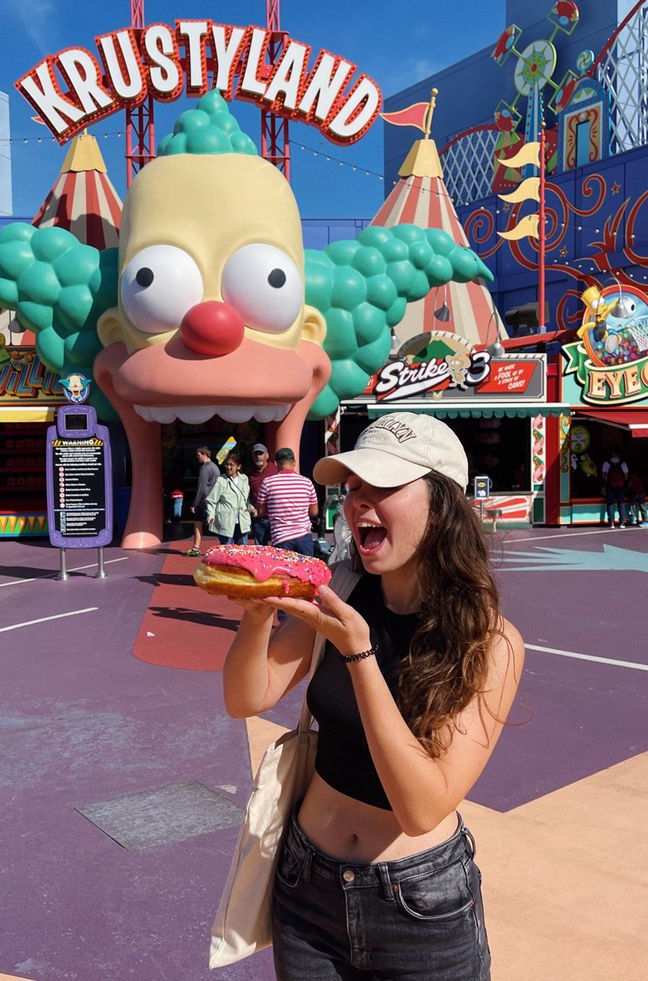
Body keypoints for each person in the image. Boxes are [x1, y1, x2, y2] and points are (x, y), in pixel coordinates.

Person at [222, 412, 524, 981]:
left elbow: (421, 807)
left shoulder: (492, 642)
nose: (359, 501)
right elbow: (247, 697)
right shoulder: (342, 585)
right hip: (305, 885)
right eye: (354, 487)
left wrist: (360, 653)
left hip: (420, 905)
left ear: (442, 506)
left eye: (383, 486)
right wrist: (257, 613)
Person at [255, 447, 318, 556]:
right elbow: (314, 512)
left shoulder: (267, 483)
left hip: (281, 539)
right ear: (294, 462)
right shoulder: (307, 483)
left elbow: (260, 512)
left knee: (283, 572)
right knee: (306, 571)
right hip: (304, 538)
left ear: (276, 463)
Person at [205, 452, 254, 545]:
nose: (228, 467)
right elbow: (211, 500)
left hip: (242, 521)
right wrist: (210, 516)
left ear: (238, 466)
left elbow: (246, 499)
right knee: (227, 552)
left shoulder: (244, 479)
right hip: (226, 522)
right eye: (227, 464)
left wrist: (251, 508)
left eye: (231, 465)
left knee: (242, 552)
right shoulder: (221, 480)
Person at [187, 446, 219, 556]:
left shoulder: (204, 468)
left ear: (204, 454)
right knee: (215, 525)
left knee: (197, 524)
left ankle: (195, 548)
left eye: (198, 455)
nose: (197, 458)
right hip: (213, 499)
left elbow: (201, 488)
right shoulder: (215, 467)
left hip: (203, 500)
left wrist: (194, 504)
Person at [247, 443, 277, 546]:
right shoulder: (249, 473)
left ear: (267, 456)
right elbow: (246, 495)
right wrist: (250, 508)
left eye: (261, 453)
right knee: (260, 549)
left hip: (275, 518)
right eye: (256, 454)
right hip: (258, 518)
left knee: (277, 548)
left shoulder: (275, 469)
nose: (258, 456)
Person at [602, 451, 629, 528]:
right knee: (621, 503)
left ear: (612, 454)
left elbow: (604, 475)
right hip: (620, 487)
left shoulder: (606, 463)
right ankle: (622, 523)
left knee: (610, 503)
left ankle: (611, 523)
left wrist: (606, 483)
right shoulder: (623, 463)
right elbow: (626, 475)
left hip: (610, 486)